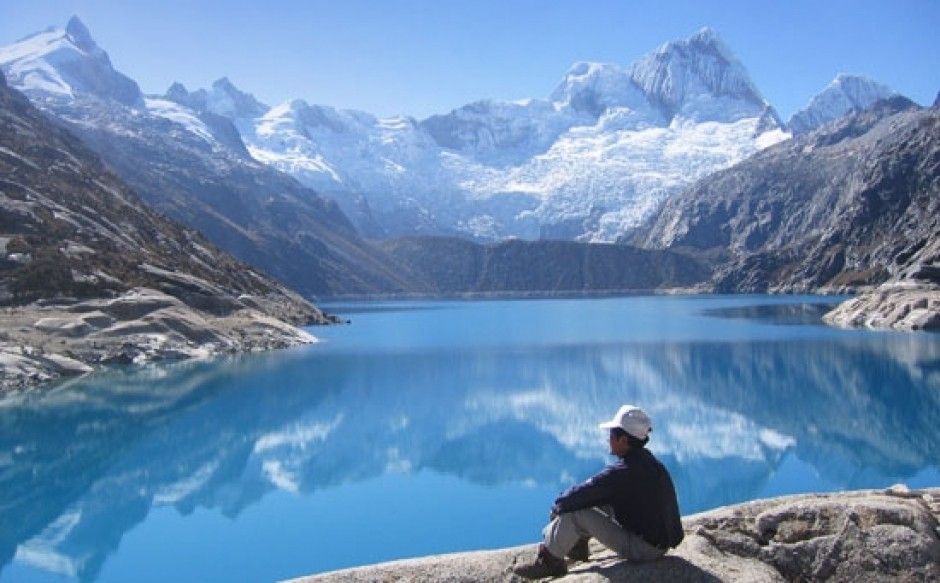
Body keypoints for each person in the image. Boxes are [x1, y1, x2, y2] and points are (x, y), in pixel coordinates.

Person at [513, 404, 683, 579]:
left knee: (574, 513)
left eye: (612, 435)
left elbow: (583, 493)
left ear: (624, 440)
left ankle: (550, 562)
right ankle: (577, 548)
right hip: (657, 543)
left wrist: (558, 507)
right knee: (592, 501)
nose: (608, 439)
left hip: (643, 549)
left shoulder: (623, 472)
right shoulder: (648, 462)